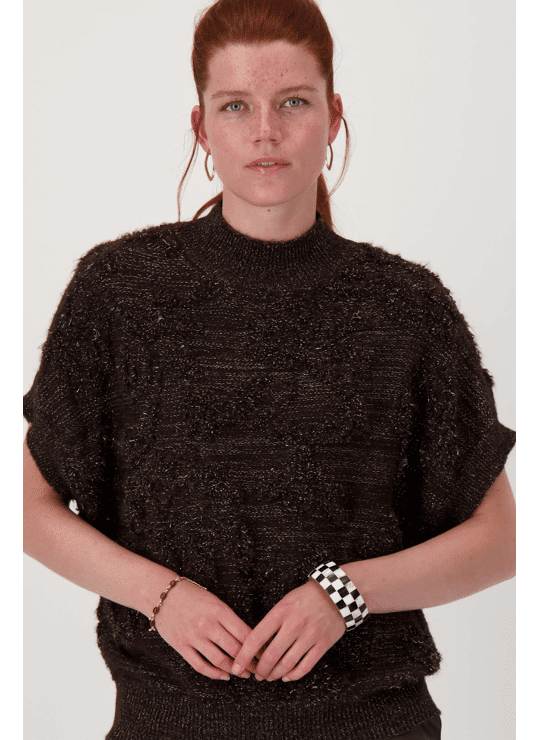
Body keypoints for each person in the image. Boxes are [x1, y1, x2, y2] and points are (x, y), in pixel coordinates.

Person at [23, 1, 516, 738]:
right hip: (167, 723)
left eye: (293, 102)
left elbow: (501, 537)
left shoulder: (407, 307)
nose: (265, 131)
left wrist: (344, 595)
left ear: (333, 116)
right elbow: (26, 505)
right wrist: (162, 596)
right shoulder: (119, 292)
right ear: (202, 127)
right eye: (235, 106)